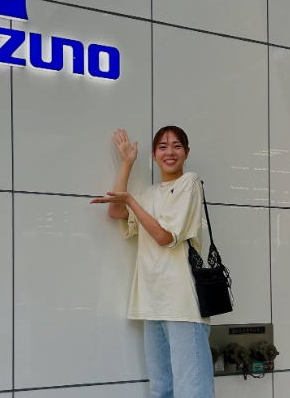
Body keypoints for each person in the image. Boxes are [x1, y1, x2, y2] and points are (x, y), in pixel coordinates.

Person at [90, 126, 215, 398]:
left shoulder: (189, 183)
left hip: (182, 303)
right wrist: (127, 163)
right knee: (161, 390)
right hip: (153, 301)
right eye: (163, 147)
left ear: (187, 152)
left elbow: (163, 236)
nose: (170, 152)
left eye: (177, 146)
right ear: (154, 155)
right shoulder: (149, 195)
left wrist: (131, 201)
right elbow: (115, 211)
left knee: (192, 390)